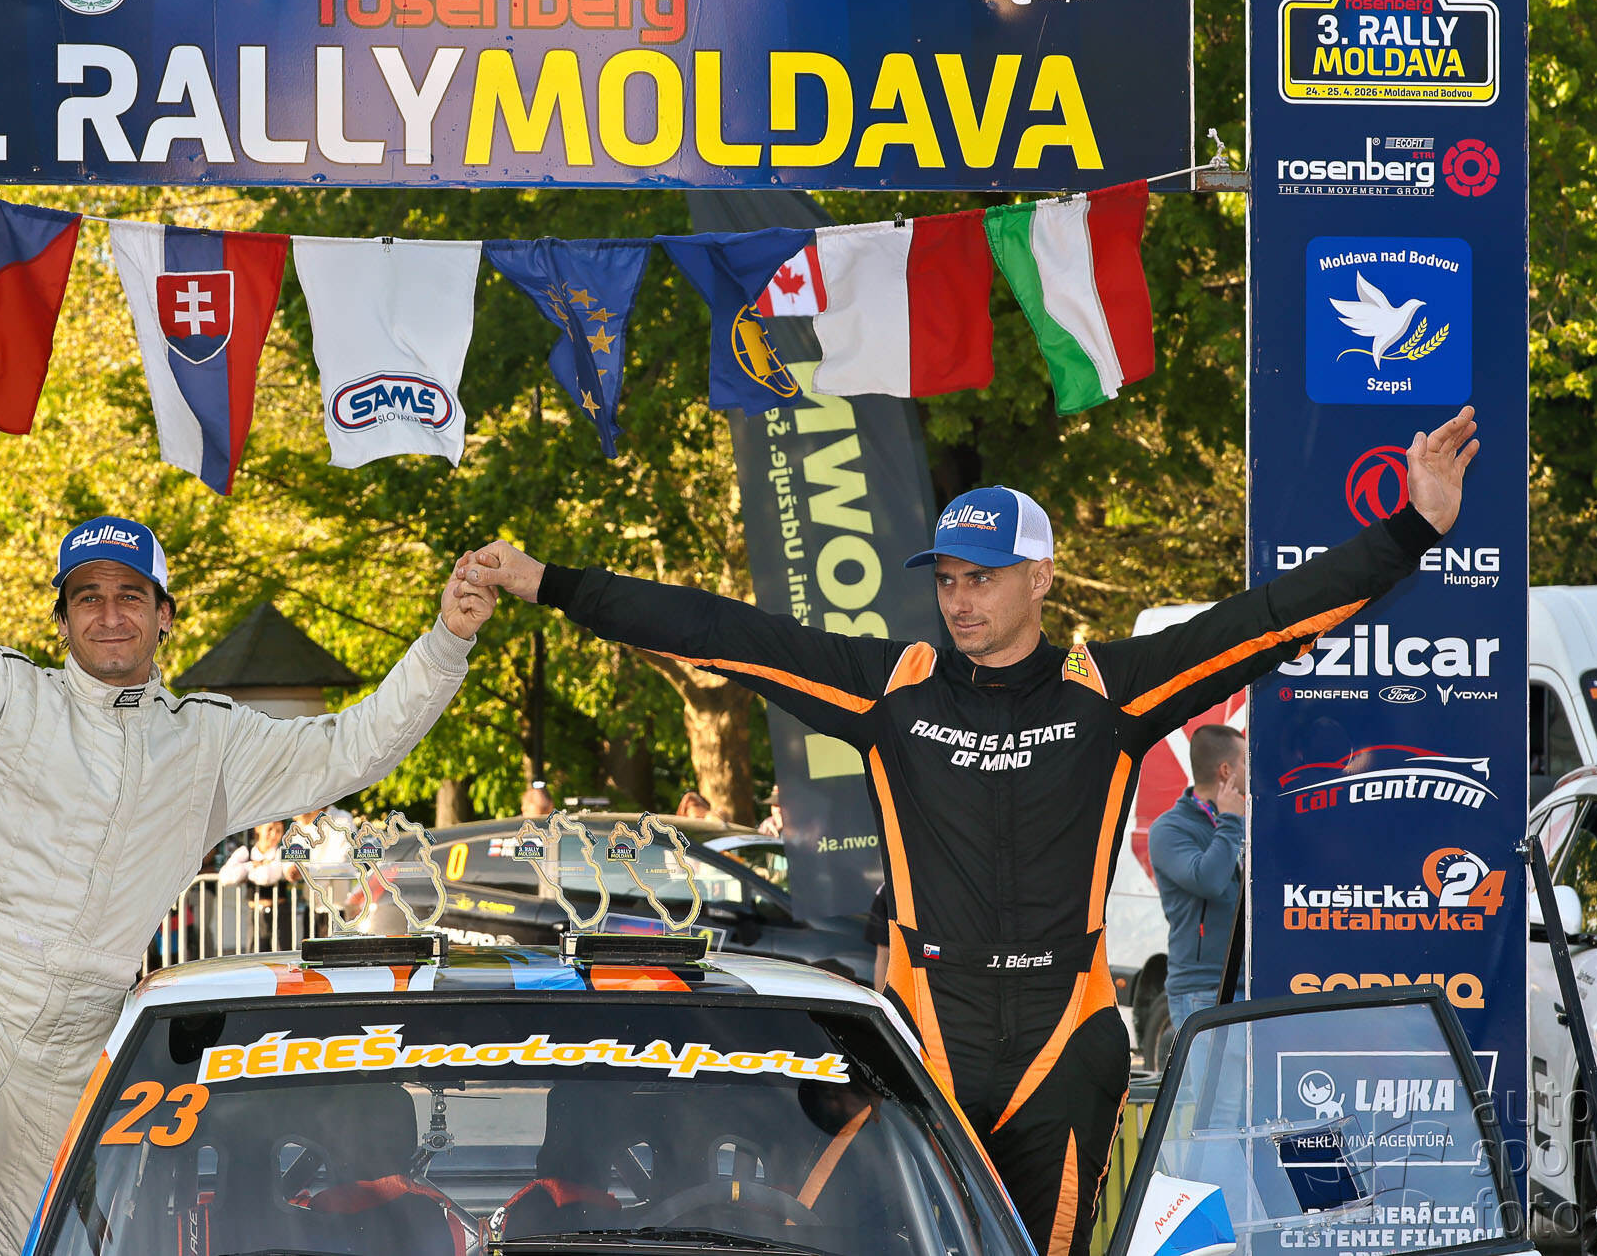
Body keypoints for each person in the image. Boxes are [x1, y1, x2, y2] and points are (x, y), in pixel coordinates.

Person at [463, 407, 1479, 1256]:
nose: (958, 599)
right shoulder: (892, 689)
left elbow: (1267, 619)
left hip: (1060, 1037)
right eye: (945, 578)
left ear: (1040, 578)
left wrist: (1412, 528)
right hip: (925, 1031)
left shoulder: (1110, 690)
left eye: (981, 577)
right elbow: (719, 632)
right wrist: (551, 582)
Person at [0, 440, 493, 1256]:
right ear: (62, 618)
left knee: (45, 1244)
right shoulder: (0, 694)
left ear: (164, 613)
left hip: (77, 1027)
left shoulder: (211, 741)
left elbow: (354, 743)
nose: (110, 614)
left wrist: (445, 642)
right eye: (89, 597)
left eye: (130, 595)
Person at [1147, 724, 1248, 1044]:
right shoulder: (1170, 829)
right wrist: (1229, 822)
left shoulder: (1247, 818)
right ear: (1226, 771)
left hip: (1251, 983)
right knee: (1217, 1080)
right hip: (1204, 989)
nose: (1253, 767)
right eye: (1246, 760)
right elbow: (1208, 881)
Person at [217, 820, 292, 951]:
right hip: (255, 912)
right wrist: (251, 865)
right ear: (258, 828)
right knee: (255, 954)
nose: (273, 835)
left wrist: (247, 873)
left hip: (280, 912)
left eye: (278, 831)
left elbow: (268, 876)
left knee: (281, 954)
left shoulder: (282, 852)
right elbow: (225, 876)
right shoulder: (246, 851)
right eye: (270, 829)